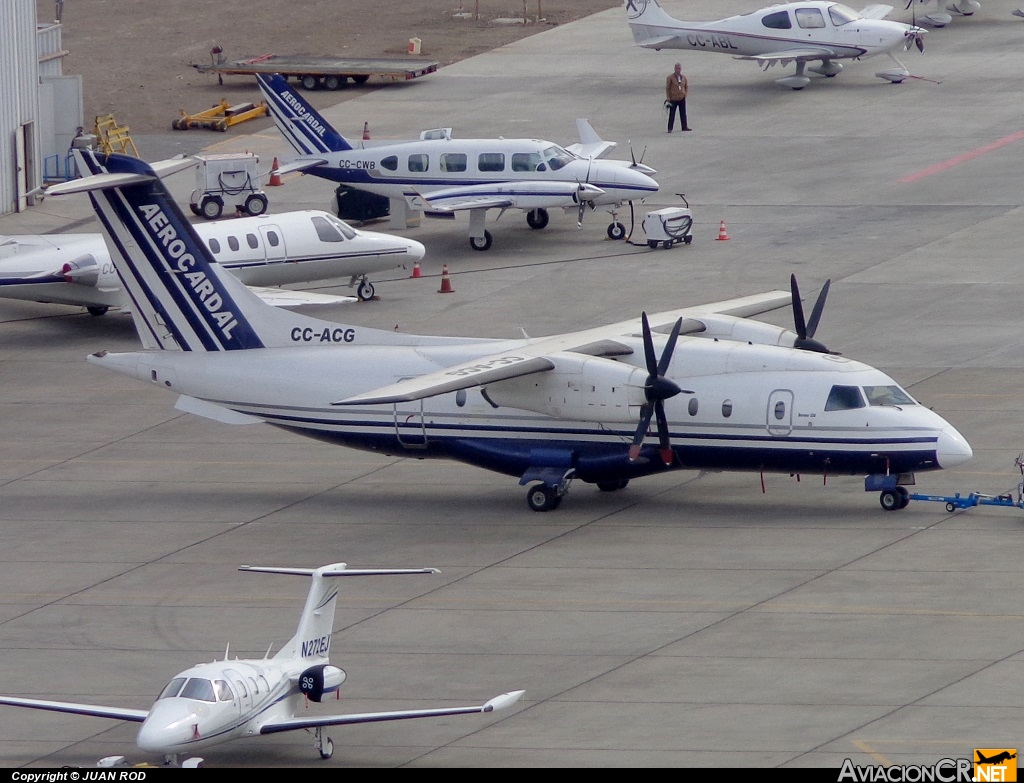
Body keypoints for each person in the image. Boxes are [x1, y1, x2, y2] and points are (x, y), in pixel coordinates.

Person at [665, 63, 691, 132]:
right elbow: (667, 88)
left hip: (681, 98)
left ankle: (684, 126)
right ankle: (670, 128)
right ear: (674, 69)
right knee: (672, 114)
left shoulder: (684, 77)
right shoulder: (670, 77)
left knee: (683, 113)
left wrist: (685, 94)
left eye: (679, 68)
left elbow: (686, 86)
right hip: (673, 98)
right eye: (677, 68)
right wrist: (668, 97)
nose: (678, 70)